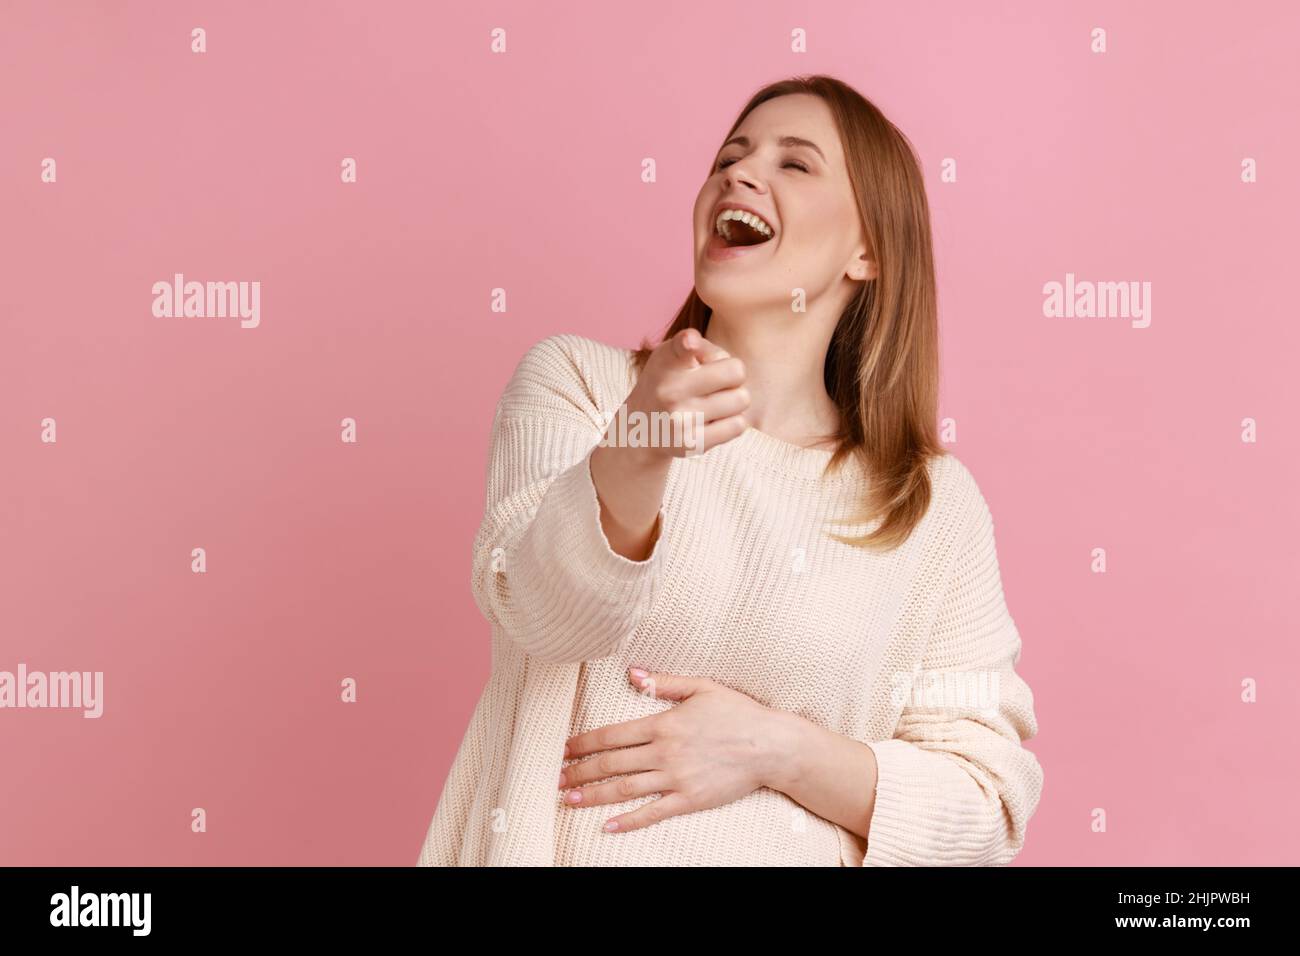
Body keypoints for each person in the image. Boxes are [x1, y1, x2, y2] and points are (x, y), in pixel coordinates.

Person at [417, 74, 1044, 867]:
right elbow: (542, 615)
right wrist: (639, 442)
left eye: (795, 164)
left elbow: (983, 807)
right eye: (731, 156)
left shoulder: (931, 507)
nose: (738, 175)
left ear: (869, 250)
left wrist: (772, 748)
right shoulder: (581, 385)